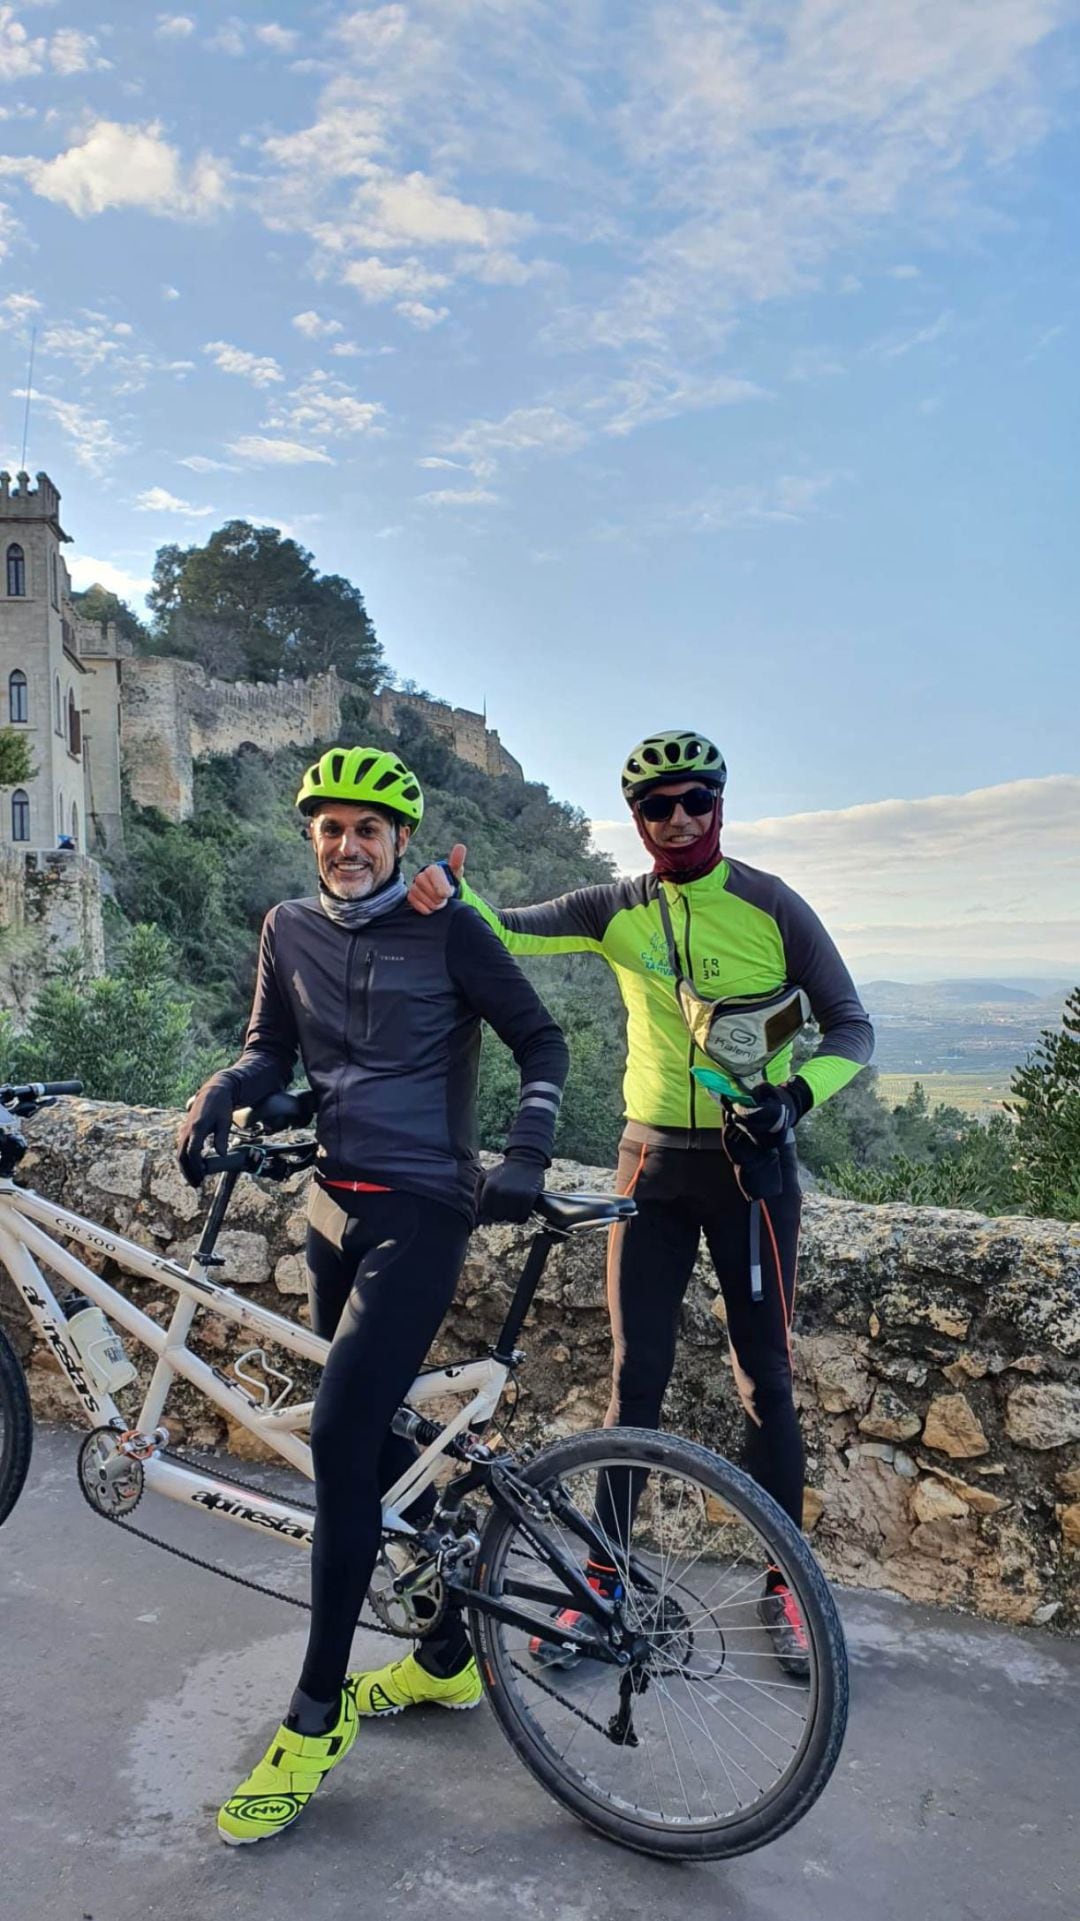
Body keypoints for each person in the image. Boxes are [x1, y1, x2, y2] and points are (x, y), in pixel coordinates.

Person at [409, 730, 873, 1675]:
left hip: (754, 1170)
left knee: (766, 1379)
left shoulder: (771, 904)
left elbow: (852, 1025)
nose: (676, 820)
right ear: (635, 819)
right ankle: (611, 1581)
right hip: (649, 1163)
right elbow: (507, 926)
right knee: (636, 1379)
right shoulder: (614, 907)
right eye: (656, 806)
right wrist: (446, 896)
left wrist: (793, 1098)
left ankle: (785, 1589)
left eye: (694, 800)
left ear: (719, 804)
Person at [177, 746, 568, 1845]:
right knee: (382, 1439)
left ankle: (313, 1715)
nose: (348, 847)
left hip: (423, 1212)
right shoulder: (285, 930)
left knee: (343, 1445)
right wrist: (222, 1091)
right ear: (313, 838)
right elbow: (270, 1052)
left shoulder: (447, 927)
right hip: (329, 1215)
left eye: (370, 831)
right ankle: (446, 1654)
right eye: (331, 830)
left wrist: (528, 1149)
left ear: (401, 840)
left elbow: (543, 1036)